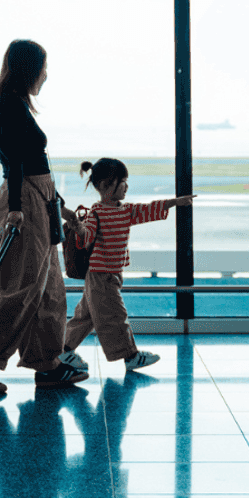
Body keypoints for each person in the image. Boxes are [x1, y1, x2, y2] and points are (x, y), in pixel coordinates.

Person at [0, 39, 88, 393]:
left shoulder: (19, 106)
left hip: (38, 197)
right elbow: (14, 163)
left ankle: (47, 363)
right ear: (30, 68)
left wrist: (59, 206)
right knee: (21, 286)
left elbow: (35, 163)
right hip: (24, 201)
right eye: (43, 66)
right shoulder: (11, 106)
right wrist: (15, 208)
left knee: (49, 288)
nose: (46, 74)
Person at [61, 158, 195, 371]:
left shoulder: (125, 210)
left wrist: (175, 202)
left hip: (109, 273)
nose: (127, 186)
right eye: (122, 181)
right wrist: (78, 228)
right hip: (101, 275)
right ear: (106, 185)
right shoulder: (96, 213)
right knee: (115, 316)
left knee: (85, 317)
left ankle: (63, 350)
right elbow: (87, 237)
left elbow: (149, 209)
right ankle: (130, 356)